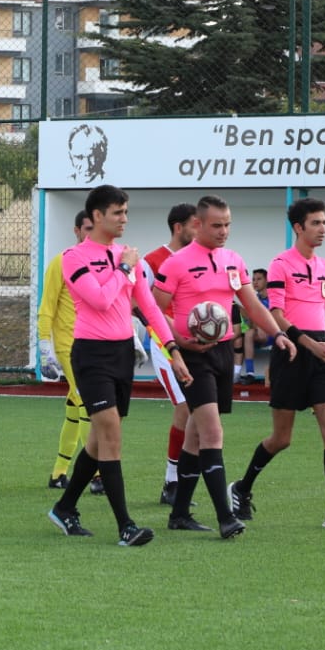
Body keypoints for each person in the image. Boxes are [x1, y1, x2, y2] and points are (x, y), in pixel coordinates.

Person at [44, 186, 190, 544]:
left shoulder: (130, 260)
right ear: (96, 217)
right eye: (117, 213)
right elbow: (99, 299)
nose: (124, 219)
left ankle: (64, 508)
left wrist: (172, 347)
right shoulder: (74, 257)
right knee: (111, 434)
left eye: (126, 212)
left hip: (123, 354)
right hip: (90, 355)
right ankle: (126, 526)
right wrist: (124, 266)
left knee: (97, 441)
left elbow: (149, 307)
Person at [155, 195, 295, 540]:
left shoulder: (234, 261)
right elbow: (153, 311)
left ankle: (178, 514)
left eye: (228, 224)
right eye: (217, 225)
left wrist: (277, 334)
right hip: (192, 357)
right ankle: (225, 517)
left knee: (195, 433)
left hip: (221, 353)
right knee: (213, 433)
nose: (224, 231)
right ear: (198, 224)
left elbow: (251, 305)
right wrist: (179, 341)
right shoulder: (177, 263)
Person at [228, 198, 325, 531]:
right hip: (291, 351)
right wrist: (307, 345)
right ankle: (241, 488)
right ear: (298, 228)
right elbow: (276, 316)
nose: (323, 229)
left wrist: (323, 346)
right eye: (316, 223)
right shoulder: (279, 265)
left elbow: (316, 314)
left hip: (319, 352)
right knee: (282, 438)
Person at [142, 203, 197, 505]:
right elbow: (141, 303)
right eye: (194, 225)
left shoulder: (201, 258)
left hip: (195, 346)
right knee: (186, 407)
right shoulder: (152, 261)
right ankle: (172, 481)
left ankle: (180, 481)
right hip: (165, 346)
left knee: (199, 412)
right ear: (179, 227)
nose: (199, 231)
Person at [37, 212, 92, 488]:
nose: (91, 234)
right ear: (76, 230)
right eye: (87, 228)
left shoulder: (100, 262)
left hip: (93, 345)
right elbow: (46, 308)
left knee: (75, 406)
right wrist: (44, 347)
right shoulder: (61, 262)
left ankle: (59, 473)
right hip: (68, 347)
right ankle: (97, 474)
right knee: (90, 405)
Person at [234, 267, 273, 385]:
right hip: (257, 334)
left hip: (274, 335)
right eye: (253, 279)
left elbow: (276, 319)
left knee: (250, 333)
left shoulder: (274, 297)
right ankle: (247, 374)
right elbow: (250, 321)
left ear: (267, 281)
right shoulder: (255, 298)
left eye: (259, 279)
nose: (255, 282)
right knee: (244, 335)